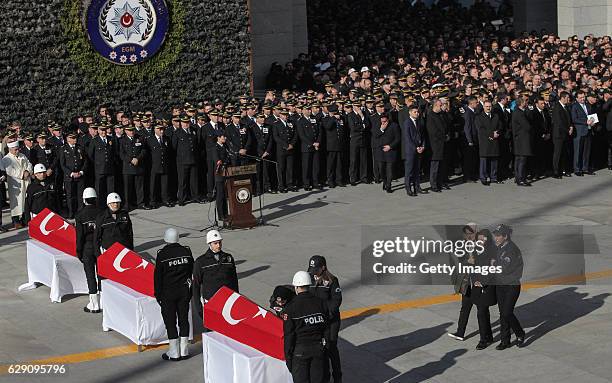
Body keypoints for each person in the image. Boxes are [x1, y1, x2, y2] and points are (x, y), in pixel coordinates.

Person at [154, 228, 194, 361]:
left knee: (170, 321)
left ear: (166, 238)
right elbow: (191, 272)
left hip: (168, 293)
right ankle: (184, 350)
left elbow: (158, 277)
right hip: (183, 291)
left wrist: (158, 295)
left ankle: (174, 351)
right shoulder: (186, 252)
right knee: (184, 320)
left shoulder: (162, 254)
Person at [283, 271, 330, 383]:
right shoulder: (321, 303)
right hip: (318, 349)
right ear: (309, 285)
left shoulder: (291, 308)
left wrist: (289, 359)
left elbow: (289, 335)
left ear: (296, 287)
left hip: (300, 351)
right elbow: (327, 329)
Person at [192, 230, 238, 330]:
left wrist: (236, 301)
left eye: (220, 242)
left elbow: (234, 281)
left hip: (227, 305)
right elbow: (195, 286)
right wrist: (199, 308)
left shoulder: (228, 258)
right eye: (215, 243)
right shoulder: (200, 262)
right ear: (209, 244)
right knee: (213, 333)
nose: (218, 245)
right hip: (211, 305)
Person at [308, 255, 342, 383]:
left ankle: (337, 376)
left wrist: (327, 314)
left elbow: (337, 300)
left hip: (330, 320)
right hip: (316, 320)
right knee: (320, 348)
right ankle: (324, 376)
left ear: (323, 267)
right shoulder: (309, 278)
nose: (313, 272)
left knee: (331, 347)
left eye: (316, 269)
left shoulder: (332, 280)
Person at [492, 224, 525, 350]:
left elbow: (504, 268)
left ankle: (520, 333)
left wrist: (494, 264)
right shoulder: (500, 247)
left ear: (505, 236)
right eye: (495, 235)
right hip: (501, 285)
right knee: (502, 314)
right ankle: (505, 340)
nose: (496, 238)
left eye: (498, 235)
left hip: (511, 285)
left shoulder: (512, 249)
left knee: (507, 312)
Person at [448, 223, 478, 342]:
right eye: (466, 233)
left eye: (471, 233)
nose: (468, 236)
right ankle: (460, 332)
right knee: (465, 308)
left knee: (482, 310)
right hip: (467, 283)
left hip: (478, 283)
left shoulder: (483, 244)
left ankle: (487, 336)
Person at [75, 187, 102, 313]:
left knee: (90, 275)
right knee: (101, 274)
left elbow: (79, 236)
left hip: (87, 247)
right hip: (100, 246)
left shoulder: (80, 215)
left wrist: (79, 251)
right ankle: (103, 301)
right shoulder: (102, 212)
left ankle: (94, 303)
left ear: (84, 200)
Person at [471, 229, 497, 350]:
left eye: (483, 239)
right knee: (482, 311)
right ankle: (488, 336)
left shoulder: (493, 251)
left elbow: (493, 270)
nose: (480, 241)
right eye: (479, 239)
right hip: (477, 285)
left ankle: (483, 339)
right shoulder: (476, 250)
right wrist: (475, 280)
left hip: (487, 285)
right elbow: (472, 266)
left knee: (481, 312)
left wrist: (483, 282)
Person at [0, 141, 32, 229]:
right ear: (10, 149)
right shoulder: (6, 159)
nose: (17, 151)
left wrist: (28, 171)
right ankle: (16, 221)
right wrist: (22, 174)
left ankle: (25, 219)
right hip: (15, 183)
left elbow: (29, 164)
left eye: (18, 149)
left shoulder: (22, 155)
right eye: (15, 150)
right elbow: (9, 171)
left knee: (25, 201)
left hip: (25, 182)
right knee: (16, 202)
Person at [93, 192, 134, 257]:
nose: (116, 205)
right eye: (113, 203)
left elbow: (130, 233)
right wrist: (97, 253)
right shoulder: (101, 217)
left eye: (117, 203)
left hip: (124, 250)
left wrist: (131, 250)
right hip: (108, 251)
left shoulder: (125, 215)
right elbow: (96, 237)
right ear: (108, 204)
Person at [172, 115, 200, 206]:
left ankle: (195, 197)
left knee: (194, 180)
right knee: (182, 181)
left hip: (193, 159)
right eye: (184, 122)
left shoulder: (193, 131)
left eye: (187, 122)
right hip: (182, 161)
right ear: (181, 123)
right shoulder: (177, 133)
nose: (186, 124)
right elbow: (174, 147)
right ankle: (181, 199)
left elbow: (196, 145)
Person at [120, 126, 149, 210]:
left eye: (132, 130)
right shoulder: (123, 140)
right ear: (125, 131)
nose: (131, 132)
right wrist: (130, 160)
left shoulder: (140, 138)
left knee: (140, 187)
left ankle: (141, 203)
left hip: (138, 166)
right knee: (128, 188)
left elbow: (143, 150)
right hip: (128, 167)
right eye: (129, 130)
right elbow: (122, 154)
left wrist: (138, 158)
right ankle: (127, 205)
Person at [59, 133, 87, 219]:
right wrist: (71, 173)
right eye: (72, 138)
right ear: (68, 139)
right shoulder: (63, 149)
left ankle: (80, 212)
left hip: (80, 176)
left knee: (80, 195)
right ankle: (71, 212)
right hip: (69, 177)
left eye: (75, 138)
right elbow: (62, 164)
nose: (75, 139)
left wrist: (81, 172)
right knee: (70, 196)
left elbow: (85, 161)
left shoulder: (80, 148)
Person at [88, 125, 116, 208]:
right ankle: (100, 206)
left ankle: (111, 205)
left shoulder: (111, 139)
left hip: (110, 168)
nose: (103, 132)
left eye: (105, 130)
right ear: (98, 131)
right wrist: (97, 163)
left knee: (111, 188)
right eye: (101, 130)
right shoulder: (95, 140)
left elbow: (114, 152)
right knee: (100, 189)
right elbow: (90, 155)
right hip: (99, 169)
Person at [401, 105, 426, 197]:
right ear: (410, 112)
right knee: (409, 170)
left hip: (419, 149)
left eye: (417, 112)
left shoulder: (419, 122)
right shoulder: (407, 123)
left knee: (417, 170)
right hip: (410, 151)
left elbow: (422, 136)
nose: (417, 113)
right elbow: (407, 138)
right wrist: (416, 148)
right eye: (415, 112)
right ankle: (408, 188)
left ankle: (417, 187)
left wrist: (422, 146)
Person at [146, 124, 173, 208]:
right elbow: (148, 154)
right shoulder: (149, 140)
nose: (161, 131)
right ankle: (153, 201)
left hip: (164, 164)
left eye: (162, 129)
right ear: (154, 129)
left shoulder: (166, 139)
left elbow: (169, 152)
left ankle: (165, 200)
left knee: (165, 184)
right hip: (154, 165)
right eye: (159, 129)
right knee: (153, 185)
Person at [476, 101, 502, 185]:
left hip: (494, 141)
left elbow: (500, 126)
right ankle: (483, 178)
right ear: (483, 107)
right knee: (484, 161)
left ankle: (493, 177)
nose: (488, 108)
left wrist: (497, 133)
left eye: (490, 106)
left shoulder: (496, 116)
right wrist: (491, 134)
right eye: (486, 106)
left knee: (494, 160)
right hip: (485, 141)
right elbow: (481, 129)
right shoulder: (479, 117)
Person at [571, 91, 595, 176]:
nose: (582, 99)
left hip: (588, 130)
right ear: (577, 98)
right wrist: (586, 122)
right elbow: (574, 119)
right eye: (580, 98)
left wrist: (593, 121)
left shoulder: (588, 105)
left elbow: (591, 116)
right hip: (579, 131)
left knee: (586, 151)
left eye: (583, 97)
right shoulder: (574, 106)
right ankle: (577, 169)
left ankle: (585, 168)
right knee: (578, 151)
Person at [273, 109, 298, 192]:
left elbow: (295, 134)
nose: (285, 116)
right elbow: (276, 137)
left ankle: (289, 184)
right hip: (281, 149)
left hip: (290, 149)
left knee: (290, 168)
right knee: (281, 168)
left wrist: (292, 144)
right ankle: (281, 186)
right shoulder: (276, 124)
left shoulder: (291, 122)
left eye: (286, 115)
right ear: (280, 115)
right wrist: (285, 145)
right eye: (283, 115)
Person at [374, 113, 400, 193]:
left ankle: (389, 185)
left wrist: (390, 146)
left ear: (388, 120)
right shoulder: (378, 125)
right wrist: (381, 129)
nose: (383, 123)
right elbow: (375, 135)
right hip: (380, 151)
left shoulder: (394, 126)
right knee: (381, 169)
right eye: (382, 121)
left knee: (389, 169)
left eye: (385, 121)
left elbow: (398, 138)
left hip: (390, 151)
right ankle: (385, 182)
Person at [426, 99, 447, 192]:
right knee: (435, 166)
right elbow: (433, 132)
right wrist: (443, 136)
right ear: (435, 106)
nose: (441, 106)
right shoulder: (430, 116)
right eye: (440, 105)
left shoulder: (441, 115)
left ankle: (440, 182)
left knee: (441, 166)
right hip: (435, 145)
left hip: (442, 143)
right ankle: (433, 184)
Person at [512, 98, 534, 186]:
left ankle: (518, 177)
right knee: (522, 160)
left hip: (520, 139)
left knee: (518, 159)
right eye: (525, 101)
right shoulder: (519, 113)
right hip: (522, 139)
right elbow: (527, 126)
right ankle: (520, 179)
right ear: (521, 103)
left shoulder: (518, 111)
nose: (526, 102)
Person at [551, 91, 574, 178]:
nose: (569, 99)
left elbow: (569, 119)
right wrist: (567, 129)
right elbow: (559, 122)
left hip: (566, 133)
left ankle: (564, 170)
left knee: (564, 153)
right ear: (563, 98)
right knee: (558, 153)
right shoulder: (557, 107)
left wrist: (571, 126)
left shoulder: (566, 107)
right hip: (559, 134)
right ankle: (556, 171)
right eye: (567, 98)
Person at [211, 133, 230, 221]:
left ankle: (226, 213)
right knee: (220, 194)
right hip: (219, 172)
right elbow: (217, 159)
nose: (225, 138)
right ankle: (221, 214)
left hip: (226, 172)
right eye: (223, 137)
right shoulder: (215, 147)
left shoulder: (225, 146)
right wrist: (222, 162)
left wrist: (227, 161)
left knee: (225, 194)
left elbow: (228, 156)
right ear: (218, 138)